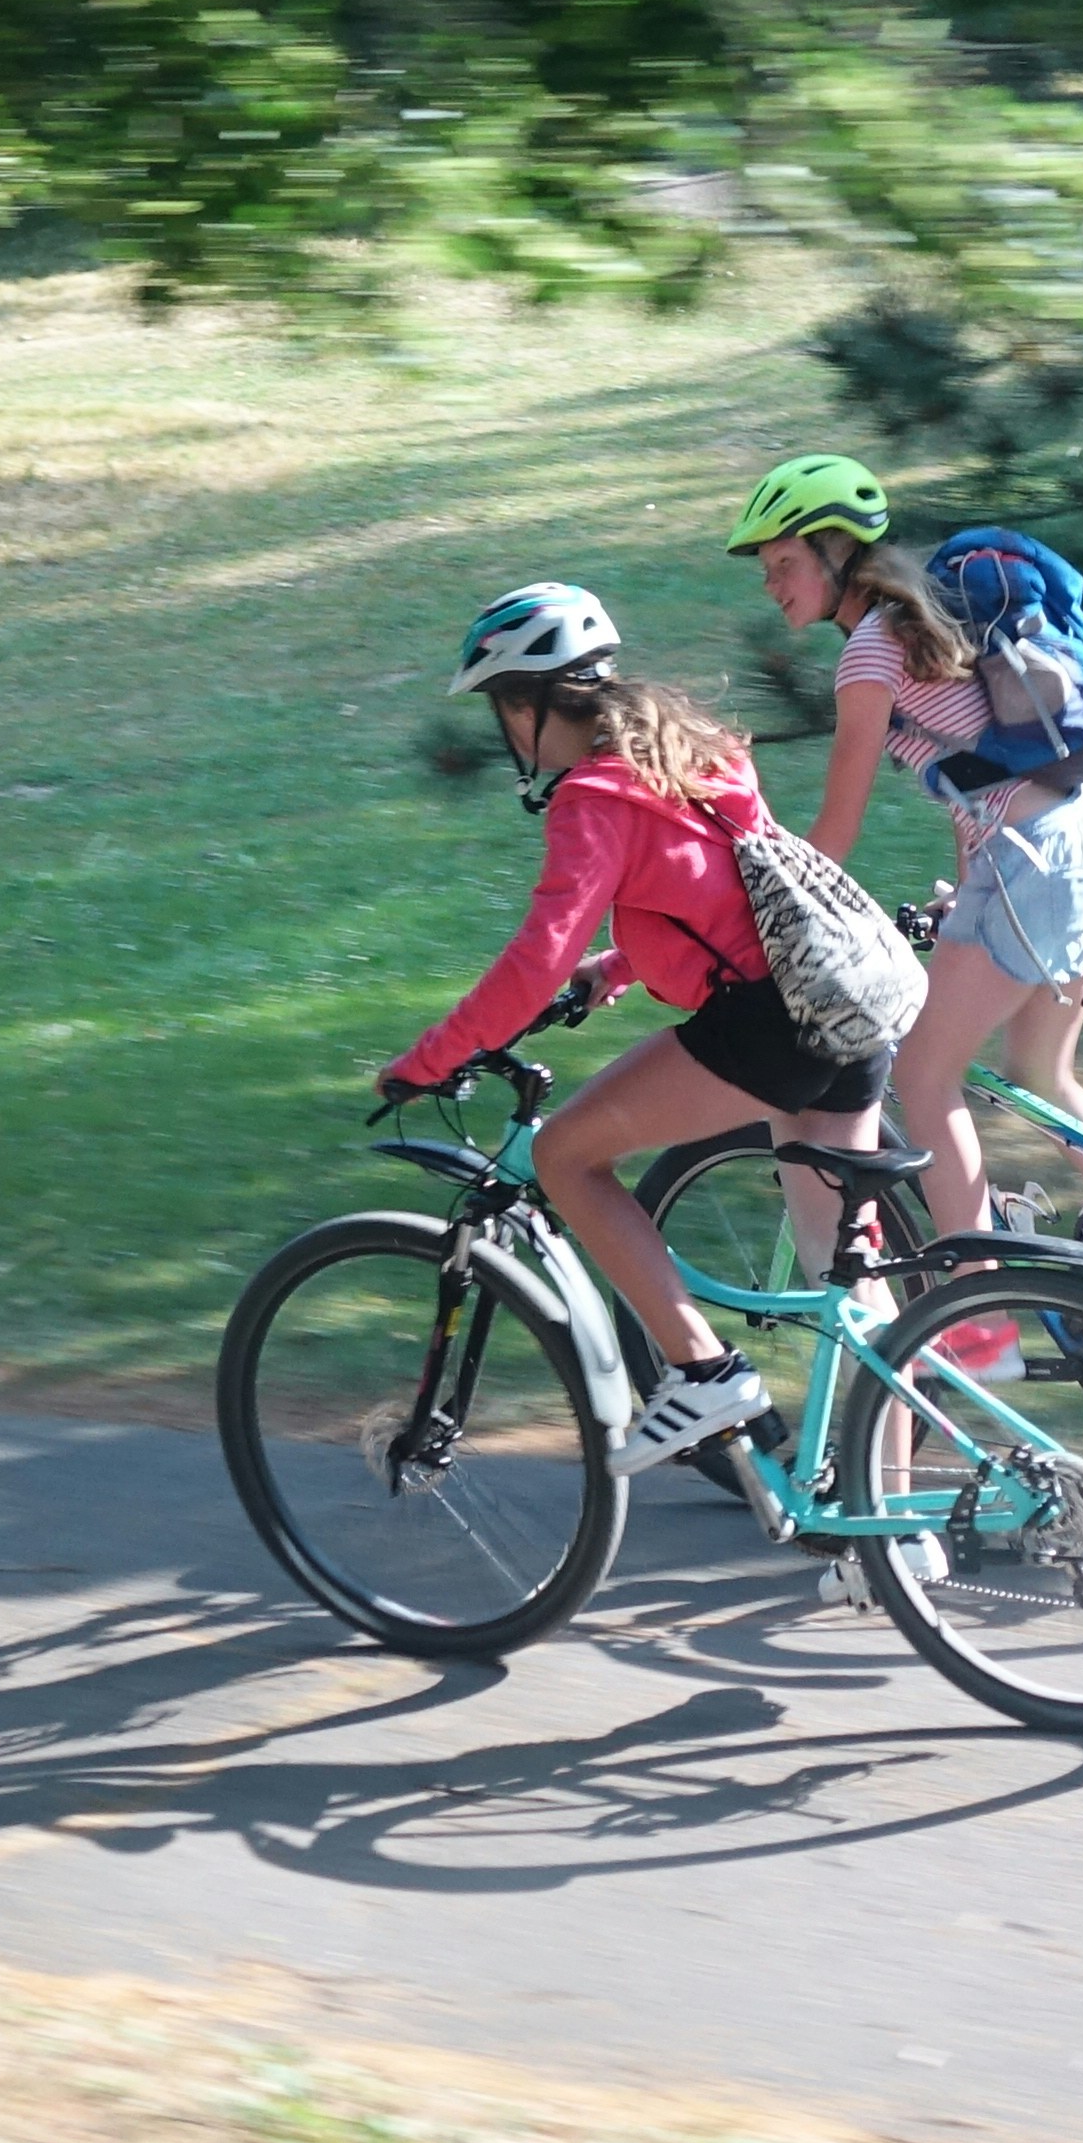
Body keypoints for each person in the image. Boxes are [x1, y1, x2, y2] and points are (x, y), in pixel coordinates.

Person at [377, 582, 888, 1478]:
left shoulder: (593, 799)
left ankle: (704, 1372)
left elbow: (536, 958)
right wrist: (618, 969)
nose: (505, 732)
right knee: (846, 1282)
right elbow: (740, 893)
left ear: (530, 705)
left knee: (567, 1155)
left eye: (503, 709)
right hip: (848, 1005)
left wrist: (430, 1060)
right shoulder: (694, 751)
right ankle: (884, 1526)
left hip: (769, 1026)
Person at [729, 454, 1083, 1263]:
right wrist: (966, 896)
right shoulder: (914, 631)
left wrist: (761, 919)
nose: (772, 584)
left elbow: (835, 833)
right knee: (1039, 1078)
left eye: (784, 563)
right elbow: (975, 778)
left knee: (923, 1079)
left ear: (834, 553)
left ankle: (973, 1309)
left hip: (1038, 863)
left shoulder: (868, 655)